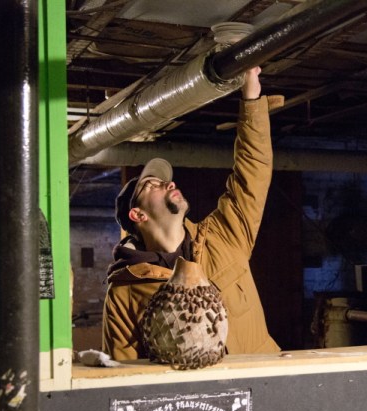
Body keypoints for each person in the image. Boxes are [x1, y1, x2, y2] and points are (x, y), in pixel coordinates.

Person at [102, 67, 282, 361]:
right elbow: (125, 374)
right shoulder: (125, 292)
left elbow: (253, 174)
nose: (169, 183)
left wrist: (251, 99)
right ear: (137, 215)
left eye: (166, 180)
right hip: (196, 405)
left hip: (264, 386)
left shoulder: (224, 236)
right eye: (152, 185)